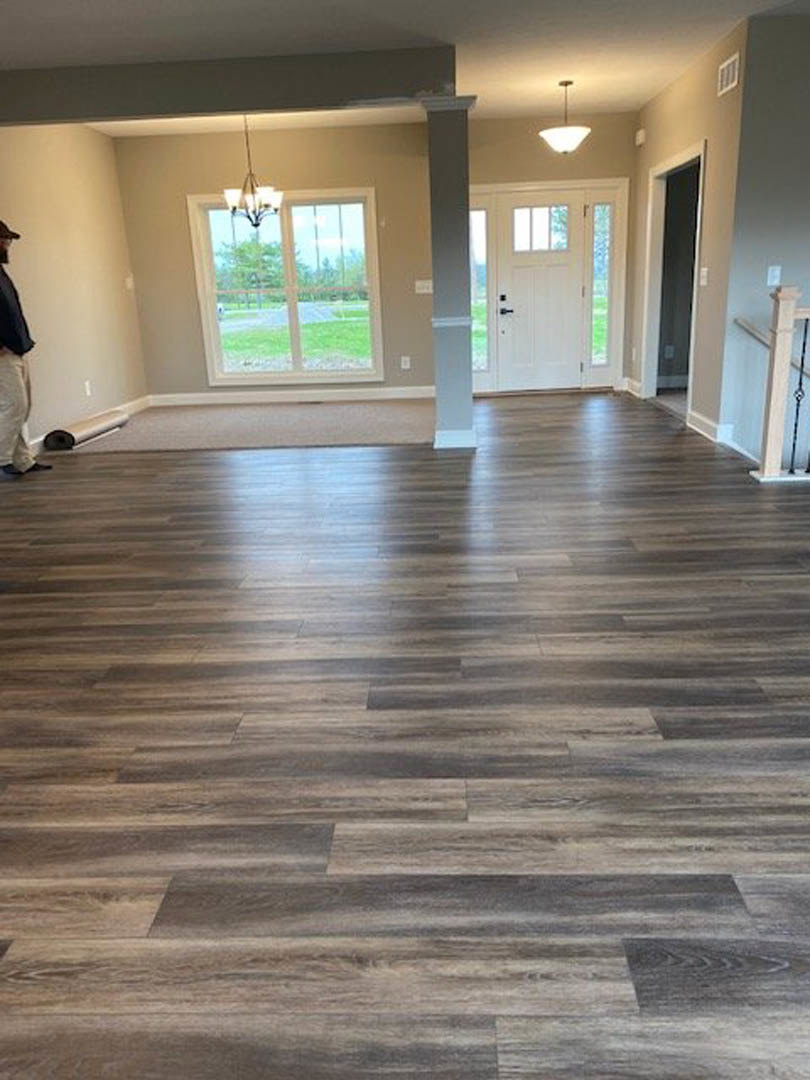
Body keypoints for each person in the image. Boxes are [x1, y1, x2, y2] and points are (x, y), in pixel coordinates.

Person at [0, 220, 51, 478]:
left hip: (18, 348)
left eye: (8, 240)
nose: (7, 244)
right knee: (14, 404)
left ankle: (21, 460)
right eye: (4, 240)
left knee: (23, 405)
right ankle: (2, 459)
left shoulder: (1, 273)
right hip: (3, 353)